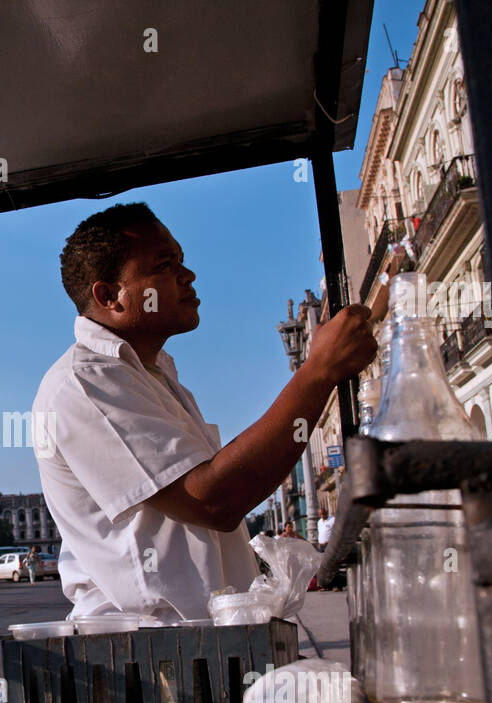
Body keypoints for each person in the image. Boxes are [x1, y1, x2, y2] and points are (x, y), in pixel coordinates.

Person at [33, 203, 379, 621]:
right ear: (109, 296)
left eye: (181, 259)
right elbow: (214, 499)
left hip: (202, 643)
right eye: (164, 264)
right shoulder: (84, 383)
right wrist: (319, 372)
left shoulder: (154, 375)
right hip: (151, 655)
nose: (188, 275)